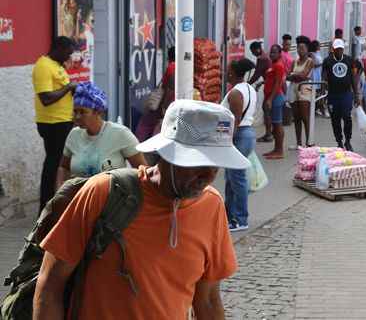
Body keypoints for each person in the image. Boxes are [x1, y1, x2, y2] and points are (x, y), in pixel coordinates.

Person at [34, 100, 242, 319]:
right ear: (166, 153)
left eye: (217, 163)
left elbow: (207, 299)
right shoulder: (103, 192)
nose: (209, 176)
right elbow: (49, 285)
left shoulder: (212, 206)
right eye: (199, 162)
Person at [55, 82, 146, 191]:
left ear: (99, 113)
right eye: (75, 111)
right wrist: (58, 194)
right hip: (79, 200)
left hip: (112, 202)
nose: (78, 116)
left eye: (83, 112)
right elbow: (63, 167)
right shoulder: (74, 135)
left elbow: (143, 171)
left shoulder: (121, 134)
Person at [33, 36, 78, 212]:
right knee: (53, 166)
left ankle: (54, 203)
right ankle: (45, 207)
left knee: (61, 165)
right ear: (58, 49)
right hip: (53, 124)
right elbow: (46, 98)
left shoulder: (57, 66)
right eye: (67, 53)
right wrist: (68, 87)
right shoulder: (43, 67)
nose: (68, 58)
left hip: (63, 122)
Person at [221, 58, 257, 232]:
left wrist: (226, 143)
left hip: (239, 136)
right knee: (231, 178)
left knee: (237, 179)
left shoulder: (236, 93)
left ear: (233, 73)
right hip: (247, 134)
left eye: (227, 70)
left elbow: (234, 121)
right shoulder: (249, 88)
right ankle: (228, 215)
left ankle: (240, 219)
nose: (224, 72)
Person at [323, 39, 359, 151]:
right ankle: (339, 141)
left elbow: (353, 77)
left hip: (346, 93)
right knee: (335, 119)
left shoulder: (348, 60)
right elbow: (324, 78)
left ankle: (348, 140)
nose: (339, 51)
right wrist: (323, 94)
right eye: (337, 49)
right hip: (333, 94)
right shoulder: (328, 61)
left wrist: (356, 93)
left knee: (347, 116)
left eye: (341, 49)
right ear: (333, 49)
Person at [287, 42, 314, 149]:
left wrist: (294, 76)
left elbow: (304, 75)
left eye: (302, 48)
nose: (300, 50)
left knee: (305, 117)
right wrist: (296, 76)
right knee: (296, 117)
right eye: (298, 48)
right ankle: (299, 143)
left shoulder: (310, 61)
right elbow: (287, 76)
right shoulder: (294, 62)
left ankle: (309, 142)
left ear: (307, 49)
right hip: (294, 90)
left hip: (305, 89)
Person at [263, 45, 287, 160]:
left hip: (276, 98)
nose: (272, 54)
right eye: (271, 52)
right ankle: (275, 149)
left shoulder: (278, 65)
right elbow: (270, 80)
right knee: (275, 124)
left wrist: (270, 99)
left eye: (275, 53)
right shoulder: (272, 64)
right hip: (272, 97)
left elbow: (278, 83)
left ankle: (280, 151)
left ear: (279, 54)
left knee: (278, 125)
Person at [249, 42, 274, 143]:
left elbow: (256, 75)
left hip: (270, 87)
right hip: (271, 84)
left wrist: (247, 84)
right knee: (270, 111)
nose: (253, 53)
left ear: (257, 49)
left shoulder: (262, 59)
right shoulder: (266, 56)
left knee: (266, 110)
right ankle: (271, 133)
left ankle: (268, 134)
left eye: (253, 51)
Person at [309, 40, 328, 118]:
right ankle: (321, 109)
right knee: (317, 92)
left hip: (318, 73)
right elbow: (313, 64)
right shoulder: (311, 54)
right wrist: (322, 64)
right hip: (314, 74)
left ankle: (318, 108)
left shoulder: (317, 53)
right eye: (318, 45)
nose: (320, 46)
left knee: (319, 91)